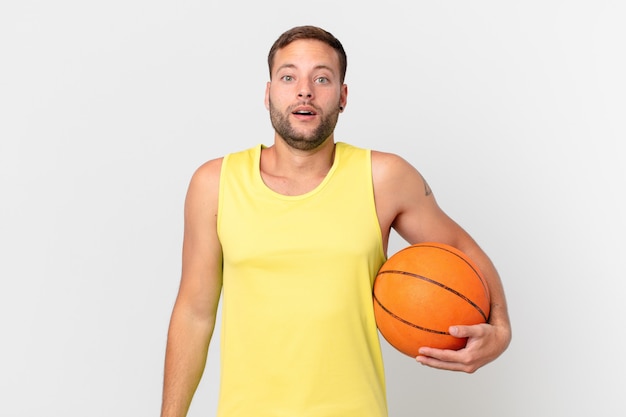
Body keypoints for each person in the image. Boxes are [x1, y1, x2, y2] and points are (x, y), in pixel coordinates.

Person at [160, 25, 511, 417]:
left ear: (342, 96)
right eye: (288, 76)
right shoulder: (214, 184)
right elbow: (194, 312)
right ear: (268, 93)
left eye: (322, 78)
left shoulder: (384, 178)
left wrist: (500, 327)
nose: (304, 90)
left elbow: (460, 249)